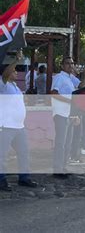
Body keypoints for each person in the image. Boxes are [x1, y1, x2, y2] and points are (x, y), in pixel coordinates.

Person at [0, 51, 37, 191]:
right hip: (5, 125)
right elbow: (5, 74)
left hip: (19, 126)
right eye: (14, 70)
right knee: (2, 154)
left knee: (24, 152)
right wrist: (16, 60)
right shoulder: (2, 84)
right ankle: (1, 180)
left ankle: (24, 178)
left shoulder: (15, 86)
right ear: (8, 72)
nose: (16, 73)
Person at [51, 57, 79, 178]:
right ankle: (57, 168)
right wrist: (69, 101)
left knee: (68, 143)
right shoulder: (59, 77)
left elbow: (82, 86)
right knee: (61, 143)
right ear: (62, 65)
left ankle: (63, 166)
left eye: (72, 63)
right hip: (61, 113)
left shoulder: (71, 78)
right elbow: (53, 92)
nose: (70, 65)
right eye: (67, 63)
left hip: (70, 113)